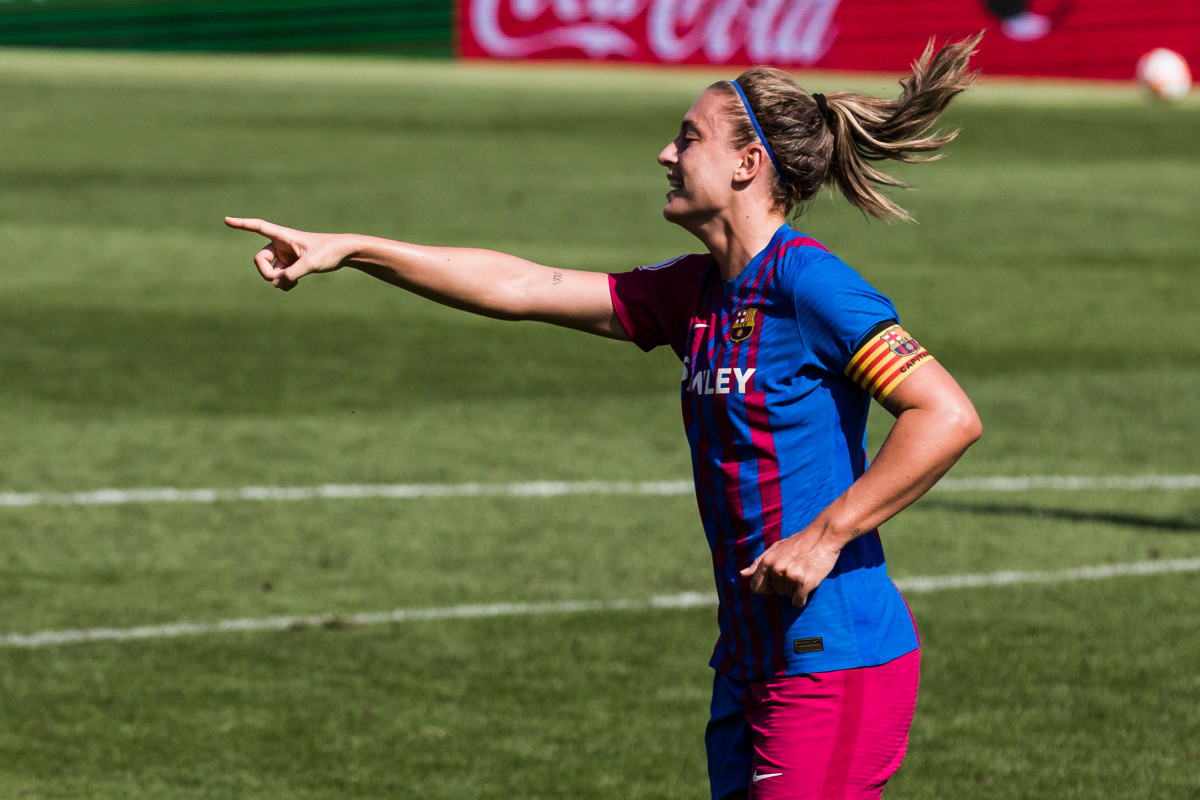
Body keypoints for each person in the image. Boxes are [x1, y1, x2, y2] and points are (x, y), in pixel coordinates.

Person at [227, 32, 983, 800]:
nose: (665, 152)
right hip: (751, 657)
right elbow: (524, 287)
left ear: (748, 164)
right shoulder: (696, 293)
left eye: (689, 138)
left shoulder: (813, 286)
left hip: (834, 654)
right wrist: (354, 248)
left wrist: (825, 537)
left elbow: (945, 414)